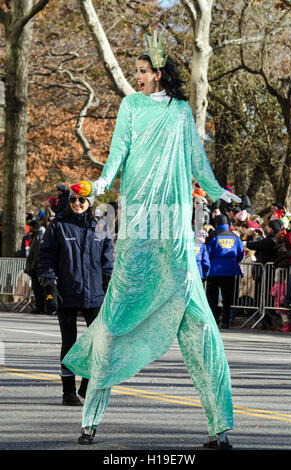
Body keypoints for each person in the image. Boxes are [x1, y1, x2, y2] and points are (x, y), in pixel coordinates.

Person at [62, 32, 241, 448]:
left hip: (175, 237)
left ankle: (220, 428)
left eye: (141, 71)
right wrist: (97, 185)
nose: (136, 77)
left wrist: (219, 193)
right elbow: (115, 159)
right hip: (139, 232)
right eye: (136, 72)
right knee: (115, 322)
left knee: (200, 326)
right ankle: (90, 421)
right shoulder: (130, 106)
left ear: (158, 73)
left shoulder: (180, 112)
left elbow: (198, 163)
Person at [37, 185, 114, 406]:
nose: (77, 204)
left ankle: (87, 382)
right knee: (69, 343)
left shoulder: (100, 227)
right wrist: (49, 286)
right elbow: (46, 259)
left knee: (98, 343)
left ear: (90, 202)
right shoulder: (58, 226)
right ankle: (68, 392)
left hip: (95, 295)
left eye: (81, 200)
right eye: (73, 200)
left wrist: (109, 288)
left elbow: (108, 262)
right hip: (66, 293)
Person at [206, 215, 244, 328]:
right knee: (228, 298)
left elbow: (207, 252)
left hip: (214, 270)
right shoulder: (235, 237)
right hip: (230, 270)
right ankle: (226, 321)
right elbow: (240, 254)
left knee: (212, 297)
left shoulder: (213, 236)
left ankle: (214, 319)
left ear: (216, 224)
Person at [24, 220, 45, 314]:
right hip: (36, 266)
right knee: (37, 289)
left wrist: (33, 267)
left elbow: (36, 254)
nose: (29, 229)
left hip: (37, 267)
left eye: (30, 227)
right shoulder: (36, 235)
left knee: (39, 289)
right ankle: (41, 306)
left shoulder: (39, 236)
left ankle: (41, 307)